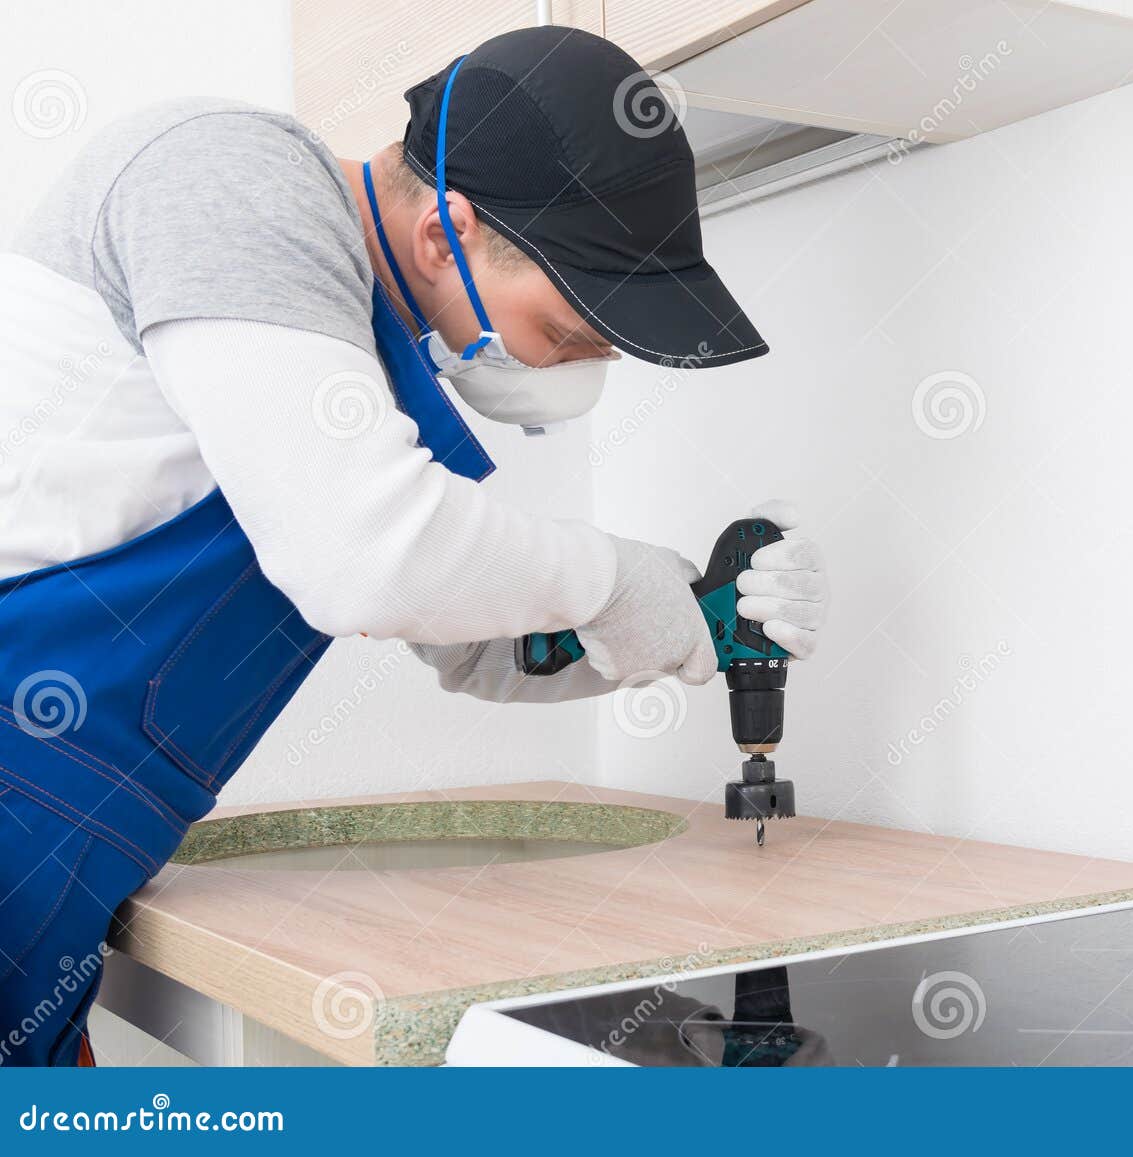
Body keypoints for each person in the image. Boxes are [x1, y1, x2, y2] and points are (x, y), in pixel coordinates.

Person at [0, 26, 827, 1066]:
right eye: (565, 336)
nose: (568, 373)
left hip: (71, 845)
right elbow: (365, 559)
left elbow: (483, 645)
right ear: (446, 233)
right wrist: (617, 579)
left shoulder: (358, 364)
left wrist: (686, 618)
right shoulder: (233, 175)